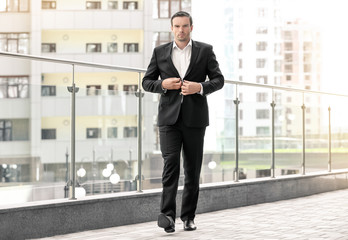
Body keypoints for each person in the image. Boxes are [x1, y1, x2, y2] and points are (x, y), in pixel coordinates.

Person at [142, 11, 224, 233]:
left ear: (191, 27)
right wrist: (163, 85)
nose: (181, 30)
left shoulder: (205, 51)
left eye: (185, 26)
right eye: (177, 26)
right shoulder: (160, 52)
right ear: (172, 28)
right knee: (171, 166)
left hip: (195, 120)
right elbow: (146, 82)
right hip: (169, 120)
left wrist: (200, 88)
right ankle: (167, 216)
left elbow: (219, 80)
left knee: (192, 169)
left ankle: (188, 217)